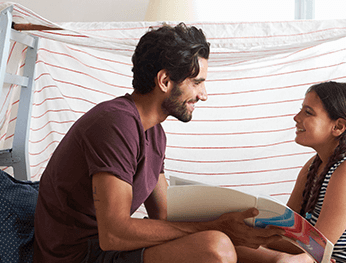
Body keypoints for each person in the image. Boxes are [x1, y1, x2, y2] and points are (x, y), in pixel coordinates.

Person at [33, 23, 283, 263]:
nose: (203, 95)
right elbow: (114, 234)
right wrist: (215, 227)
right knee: (216, 248)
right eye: (197, 82)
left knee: (220, 239)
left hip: (106, 250)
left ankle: (282, 260)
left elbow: (164, 216)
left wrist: (236, 226)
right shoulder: (115, 123)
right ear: (164, 81)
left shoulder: (154, 133)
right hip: (81, 256)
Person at [237, 81, 346, 263]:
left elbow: (318, 247)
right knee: (225, 241)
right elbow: (284, 226)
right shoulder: (314, 165)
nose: (296, 118)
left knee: (236, 244)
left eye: (308, 112)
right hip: (313, 257)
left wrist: (257, 238)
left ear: (338, 127)